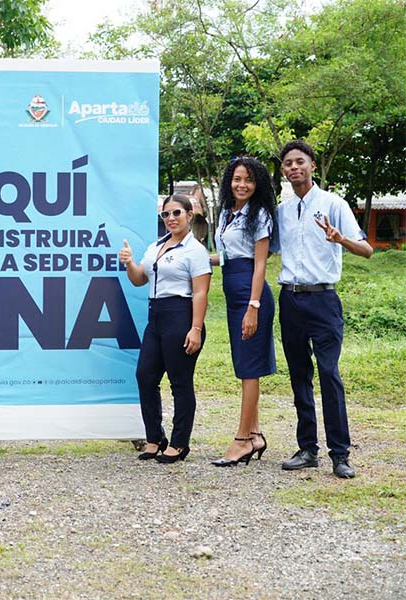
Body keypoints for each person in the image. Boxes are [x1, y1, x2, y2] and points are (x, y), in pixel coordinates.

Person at [276, 139, 373, 479]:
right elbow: (262, 249)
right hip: (289, 299)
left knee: (329, 373)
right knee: (299, 374)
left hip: (323, 300)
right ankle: (307, 449)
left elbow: (367, 250)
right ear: (283, 170)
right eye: (288, 163)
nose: (294, 167)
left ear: (312, 166)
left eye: (300, 161)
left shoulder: (334, 204)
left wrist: (340, 239)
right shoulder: (282, 211)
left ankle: (340, 454)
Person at [119, 195, 212, 463]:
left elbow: (201, 293)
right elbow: (139, 279)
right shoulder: (156, 246)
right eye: (166, 214)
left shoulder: (195, 251)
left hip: (180, 316)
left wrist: (195, 328)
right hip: (156, 316)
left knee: (180, 382)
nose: (171, 218)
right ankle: (155, 438)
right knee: (145, 375)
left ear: (189, 215)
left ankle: (179, 443)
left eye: (176, 213)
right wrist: (129, 263)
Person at [210, 157, 277, 467]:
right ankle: (255, 434)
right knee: (243, 364)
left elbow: (260, 264)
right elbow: (227, 256)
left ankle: (241, 441)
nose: (242, 184)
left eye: (249, 179)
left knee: (249, 368)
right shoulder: (226, 213)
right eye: (237, 178)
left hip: (251, 294)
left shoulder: (259, 214)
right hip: (232, 291)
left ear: (257, 183)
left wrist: (254, 306)